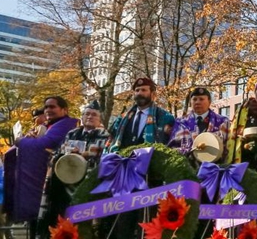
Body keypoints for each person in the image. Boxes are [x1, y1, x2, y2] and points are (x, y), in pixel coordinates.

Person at [2, 96, 78, 237]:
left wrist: (21, 141)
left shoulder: (66, 125)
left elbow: (46, 143)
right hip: (40, 186)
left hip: (54, 186)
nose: (48, 110)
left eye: (52, 106)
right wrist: (30, 136)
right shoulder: (49, 125)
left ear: (64, 109)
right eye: (46, 107)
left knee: (48, 227)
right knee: (35, 227)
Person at [38, 100, 109, 237]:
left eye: (94, 114)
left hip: (92, 183)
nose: (90, 117)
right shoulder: (72, 133)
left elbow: (108, 157)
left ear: (99, 119)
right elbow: (59, 153)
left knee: (88, 222)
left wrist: (87, 154)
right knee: (65, 217)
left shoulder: (106, 135)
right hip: (67, 182)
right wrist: (67, 154)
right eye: (87, 114)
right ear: (81, 117)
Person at [106, 77, 175, 152]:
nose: (139, 93)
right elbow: (110, 141)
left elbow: (172, 145)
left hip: (151, 162)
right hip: (122, 162)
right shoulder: (122, 118)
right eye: (137, 90)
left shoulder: (165, 117)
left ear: (153, 94)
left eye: (144, 90)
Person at [169, 87, 230, 164]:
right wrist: (191, 149)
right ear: (190, 102)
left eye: (201, 99)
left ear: (209, 102)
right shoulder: (181, 123)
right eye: (194, 99)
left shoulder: (223, 122)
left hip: (216, 169)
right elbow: (172, 148)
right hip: (187, 169)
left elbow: (229, 147)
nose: (197, 102)